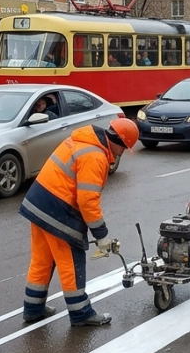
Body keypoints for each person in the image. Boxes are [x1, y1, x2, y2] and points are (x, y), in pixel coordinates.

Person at [20, 118, 139, 327]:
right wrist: (101, 235)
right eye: (123, 148)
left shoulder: (82, 141)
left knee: (42, 261)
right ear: (118, 142)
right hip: (58, 212)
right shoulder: (95, 156)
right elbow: (87, 200)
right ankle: (81, 313)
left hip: (38, 204)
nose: (121, 154)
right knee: (71, 264)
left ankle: (33, 309)